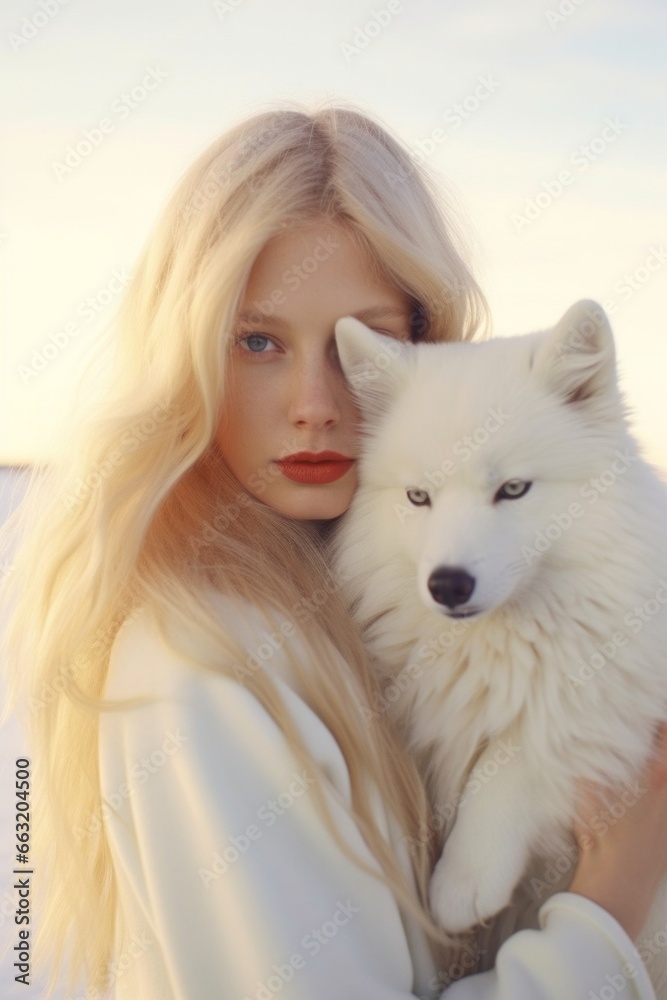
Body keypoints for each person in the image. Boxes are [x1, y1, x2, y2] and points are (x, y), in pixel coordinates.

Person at [2, 100, 667, 1000]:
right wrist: (603, 909)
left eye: (363, 341)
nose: (316, 401)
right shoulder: (203, 668)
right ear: (187, 350)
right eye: (258, 342)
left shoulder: (340, 596)